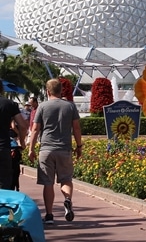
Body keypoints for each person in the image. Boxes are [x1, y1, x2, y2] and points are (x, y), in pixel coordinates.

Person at [28, 78, 83, 225]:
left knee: (48, 183)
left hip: (46, 149)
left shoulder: (42, 107)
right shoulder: (70, 106)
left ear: (47, 91)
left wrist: (31, 149)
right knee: (66, 179)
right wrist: (79, 146)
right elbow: (76, 128)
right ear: (61, 91)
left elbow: (35, 129)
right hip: (64, 149)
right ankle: (67, 200)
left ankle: (49, 215)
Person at [0, 80, 28, 190]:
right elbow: (22, 125)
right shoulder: (9, 104)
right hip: (3, 147)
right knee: (4, 182)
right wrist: (22, 142)